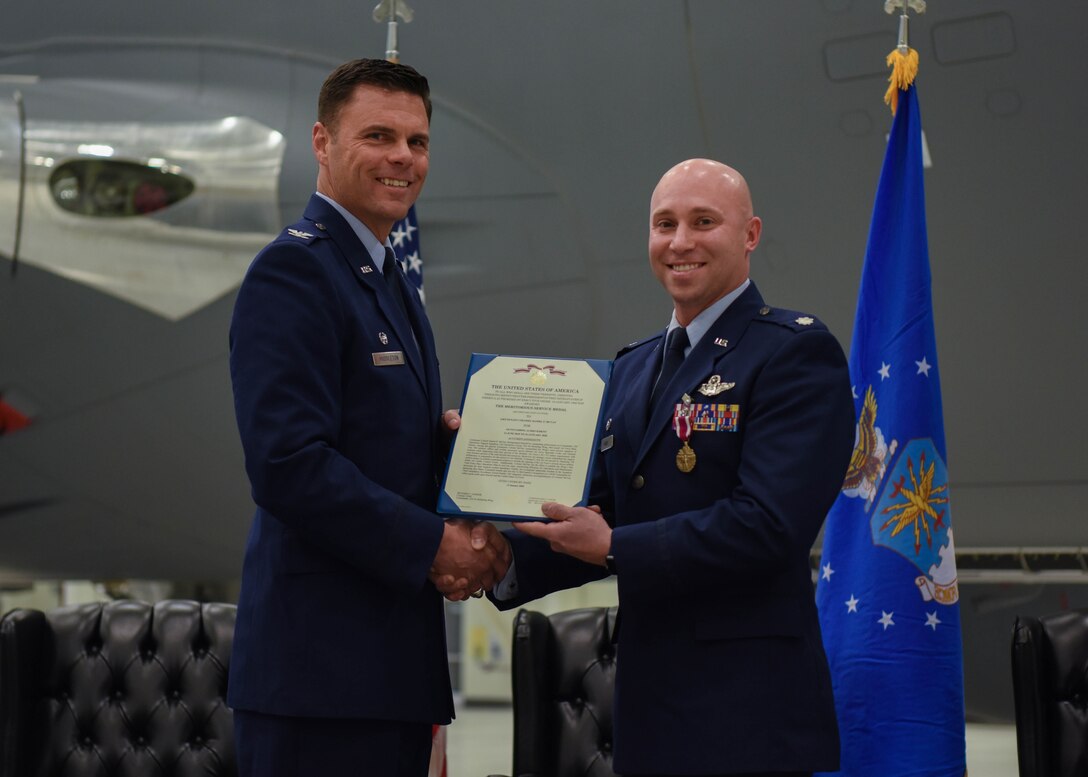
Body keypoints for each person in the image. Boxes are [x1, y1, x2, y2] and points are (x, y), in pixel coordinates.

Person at [490, 159, 856, 777]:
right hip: (645, 706)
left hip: (747, 713)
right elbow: (595, 507)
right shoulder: (632, 368)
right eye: (664, 224)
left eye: (703, 221)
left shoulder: (795, 353)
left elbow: (767, 525)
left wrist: (613, 548)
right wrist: (495, 558)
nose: (680, 241)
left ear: (751, 234)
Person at [228, 58, 509, 777]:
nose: (402, 158)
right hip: (319, 684)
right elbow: (288, 464)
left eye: (416, 142)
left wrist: (458, 455)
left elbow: (377, 449)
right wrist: (436, 546)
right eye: (378, 135)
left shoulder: (389, 281)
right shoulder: (295, 272)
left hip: (387, 671)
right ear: (322, 143)